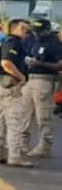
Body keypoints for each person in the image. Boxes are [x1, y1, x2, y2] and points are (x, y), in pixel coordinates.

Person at [0, 19, 32, 167]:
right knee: (15, 122)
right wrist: (21, 77)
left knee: (0, 120)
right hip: (11, 85)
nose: (26, 31)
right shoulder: (13, 42)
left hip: (0, 84)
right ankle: (14, 156)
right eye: (23, 28)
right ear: (14, 28)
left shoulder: (3, 41)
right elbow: (6, 63)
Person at [22, 19, 62, 158]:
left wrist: (41, 64)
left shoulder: (55, 44)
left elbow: (59, 65)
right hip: (30, 77)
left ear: (47, 30)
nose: (37, 34)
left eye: (40, 31)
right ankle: (22, 143)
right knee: (25, 113)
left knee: (43, 115)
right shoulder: (35, 41)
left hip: (44, 78)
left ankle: (45, 145)